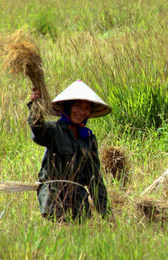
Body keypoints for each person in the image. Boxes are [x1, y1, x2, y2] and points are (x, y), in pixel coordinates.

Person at [28, 79, 112, 222]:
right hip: (53, 199)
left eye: (86, 108)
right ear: (67, 107)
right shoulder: (53, 131)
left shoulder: (89, 139)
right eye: (77, 106)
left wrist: (107, 214)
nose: (82, 112)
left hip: (78, 202)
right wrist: (35, 106)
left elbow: (95, 179)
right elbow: (38, 131)